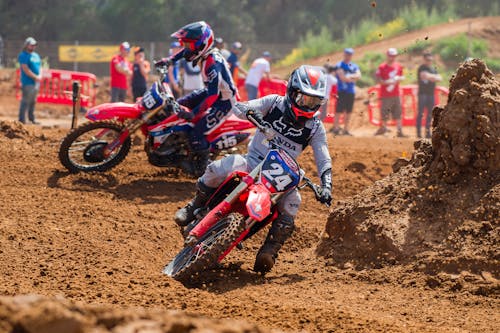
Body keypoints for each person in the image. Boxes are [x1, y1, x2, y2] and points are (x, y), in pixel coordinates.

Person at [174, 65, 333, 274]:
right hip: (253, 161)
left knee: (293, 202)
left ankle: (269, 250)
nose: (307, 105)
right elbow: (240, 107)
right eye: (304, 98)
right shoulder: (274, 103)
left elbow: (323, 156)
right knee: (217, 168)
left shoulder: (314, 127)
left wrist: (326, 185)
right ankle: (195, 204)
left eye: (313, 101)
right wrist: (254, 115)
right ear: (292, 92)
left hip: (281, 175)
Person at [155, 21, 238, 174]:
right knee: (178, 105)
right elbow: (184, 52)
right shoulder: (204, 54)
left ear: (202, 44)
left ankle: (202, 168)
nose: (186, 48)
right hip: (211, 92)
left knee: (197, 132)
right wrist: (170, 60)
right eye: (185, 44)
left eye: (189, 45)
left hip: (224, 102)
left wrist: (194, 113)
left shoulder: (212, 64)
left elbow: (213, 96)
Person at [374, 48, 406, 137]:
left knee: (398, 112)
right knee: (385, 112)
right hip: (385, 95)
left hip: (396, 94)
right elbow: (378, 80)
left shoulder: (398, 66)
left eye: (394, 56)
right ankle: (384, 129)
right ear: (387, 56)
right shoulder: (382, 67)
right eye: (391, 56)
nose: (392, 58)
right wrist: (389, 82)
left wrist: (399, 79)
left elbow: (401, 77)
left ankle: (400, 131)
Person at [332, 48, 361, 136]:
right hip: (341, 91)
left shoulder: (354, 66)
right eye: (347, 54)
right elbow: (342, 78)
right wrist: (353, 77)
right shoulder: (339, 65)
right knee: (338, 110)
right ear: (344, 54)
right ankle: (336, 128)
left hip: (350, 91)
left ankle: (346, 129)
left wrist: (349, 77)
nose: (348, 56)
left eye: (350, 54)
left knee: (348, 111)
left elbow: (359, 75)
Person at [417, 51, 442, 138]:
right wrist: (433, 77)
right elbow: (424, 76)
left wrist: (430, 76)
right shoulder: (421, 68)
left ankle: (427, 132)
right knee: (421, 113)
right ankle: (418, 133)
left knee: (429, 114)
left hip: (431, 94)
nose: (429, 61)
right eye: (427, 60)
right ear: (424, 59)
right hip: (423, 94)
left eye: (430, 60)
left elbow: (439, 78)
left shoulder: (432, 69)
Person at [18, 37, 41, 124]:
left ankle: (31, 119)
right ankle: (22, 120)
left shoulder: (36, 55)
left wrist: (40, 76)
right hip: (28, 82)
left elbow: (40, 67)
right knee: (25, 101)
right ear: (26, 45)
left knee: (33, 101)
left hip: (36, 82)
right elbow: (25, 69)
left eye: (34, 45)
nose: (33, 47)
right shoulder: (23, 55)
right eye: (31, 45)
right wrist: (35, 77)